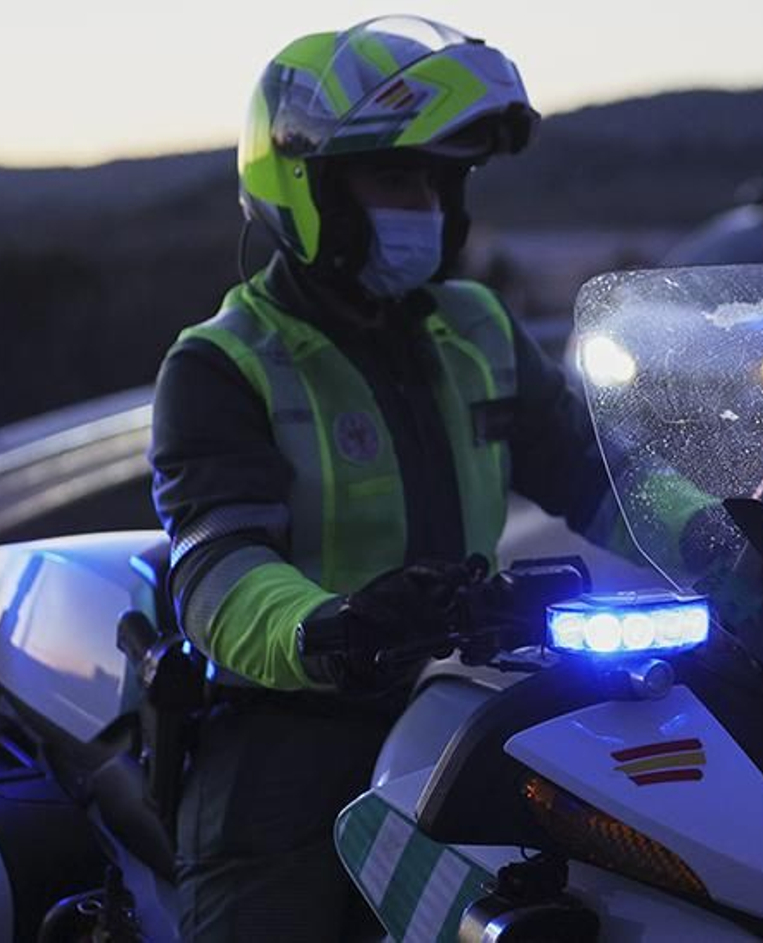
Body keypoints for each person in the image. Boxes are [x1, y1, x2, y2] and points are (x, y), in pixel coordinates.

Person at [147, 17, 640, 940]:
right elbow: (214, 573)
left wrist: (736, 541)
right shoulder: (223, 363)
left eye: (435, 181)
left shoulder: (476, 327)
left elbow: (594, 474)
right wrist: (333, 626)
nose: (420, 204)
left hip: (465, 694)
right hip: (291, 722)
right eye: (391, 177)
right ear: (307, 188)